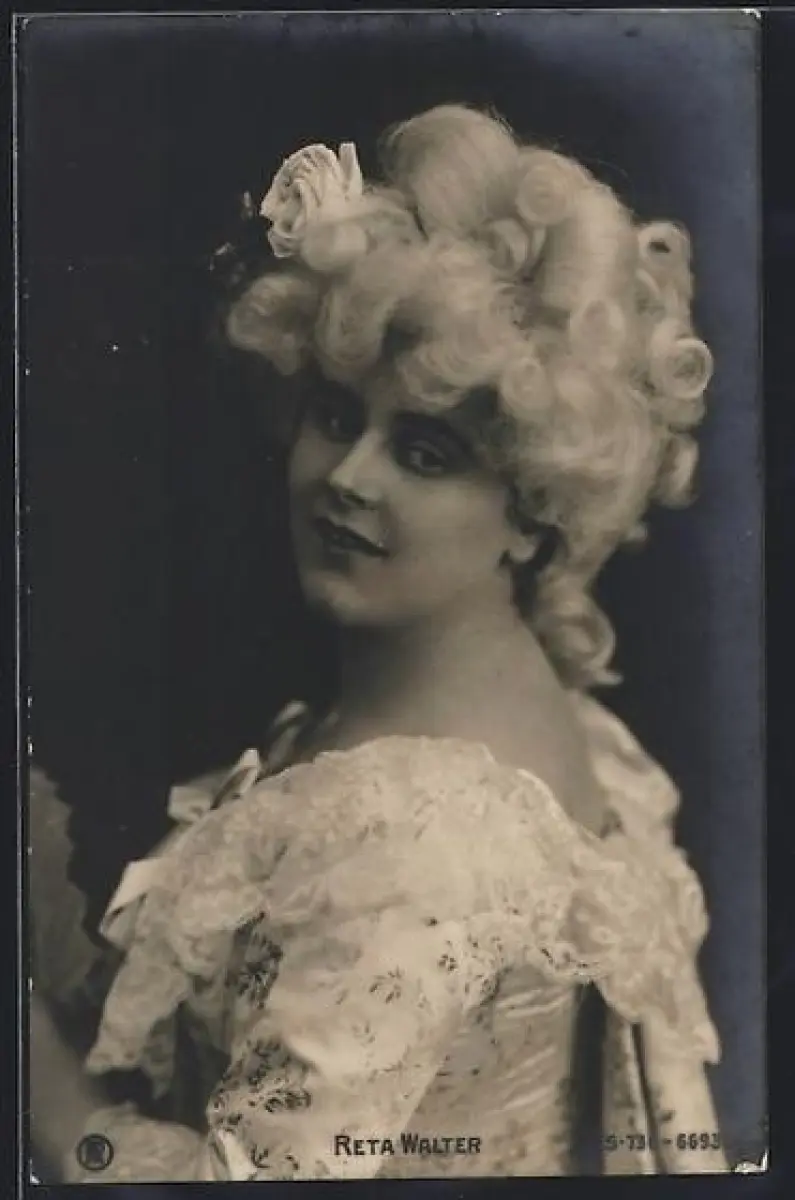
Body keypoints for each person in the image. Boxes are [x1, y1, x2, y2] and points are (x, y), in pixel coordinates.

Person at [30, 104, 727, 1180]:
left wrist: (32, 1065)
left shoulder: (409, 849)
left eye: (426, 452)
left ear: (533, 507)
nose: (349, 478)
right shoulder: (527, 725)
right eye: (335, 416)